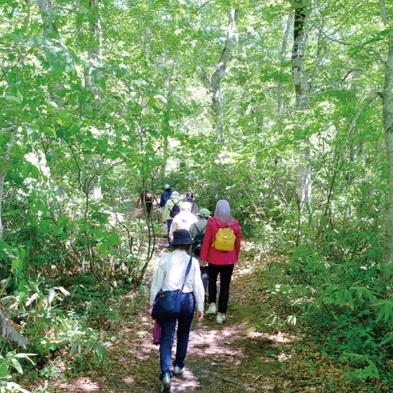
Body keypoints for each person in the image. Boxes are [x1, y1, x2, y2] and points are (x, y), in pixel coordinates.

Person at [150, 229, 204, 393]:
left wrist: (152, 305)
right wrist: (200, 306)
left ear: (174, 244)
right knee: (183, 334)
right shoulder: (192, 262)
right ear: (188, 244)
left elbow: (156, 285)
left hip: (168, 301)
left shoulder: (165, 259)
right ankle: (179, 365)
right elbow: (198, 286)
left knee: (167, 337)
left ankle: (165, 373)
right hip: (187, 300)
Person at [200, 200, 241, 324]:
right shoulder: (235, 223)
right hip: (229, 259)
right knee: (225, 286)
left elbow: (206, 241)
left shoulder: (212, 222)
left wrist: (203, 257)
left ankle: (212, 304)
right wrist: (236, 256)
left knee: (212, 281)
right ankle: (221, 314)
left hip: (213, 258)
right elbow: (237, 243)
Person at [189, 208, 211, 297]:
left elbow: (189, 240)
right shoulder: (210, 226)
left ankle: (193, 293)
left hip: (195, 253)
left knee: (194, 274)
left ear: (199, 216)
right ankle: (203, 294)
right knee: (205, 274)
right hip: (207, 255)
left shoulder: (193, 225)